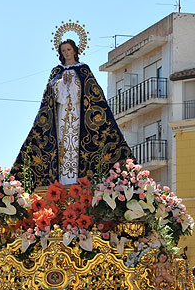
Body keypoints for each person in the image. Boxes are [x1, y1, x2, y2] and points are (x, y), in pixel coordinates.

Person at [11, 38, 133, 189]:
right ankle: (62, 183)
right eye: (63, 51)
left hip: (79, 117)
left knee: (76, 144)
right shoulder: (57, 71)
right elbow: (50, 95)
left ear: (74, 50)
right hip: (60, 117)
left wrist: (74, 84)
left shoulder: (83, 70)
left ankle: (78, 181)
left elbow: (92, 93)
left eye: (68, 50)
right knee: (62, 145)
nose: (66, 53)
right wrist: (61, 84)